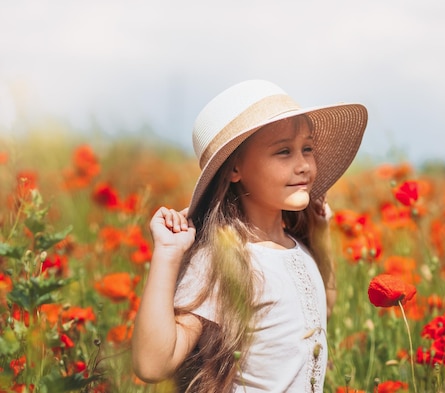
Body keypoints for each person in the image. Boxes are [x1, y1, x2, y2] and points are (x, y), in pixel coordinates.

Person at [131, 79, 368, 393]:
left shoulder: (297, 247)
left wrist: (320, 233)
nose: (304, 166)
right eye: (284, 151)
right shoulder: (222, 260)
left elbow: (323, 306)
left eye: (307, 149)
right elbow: (152, 365)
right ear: (234, 169)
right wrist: (167, 254)